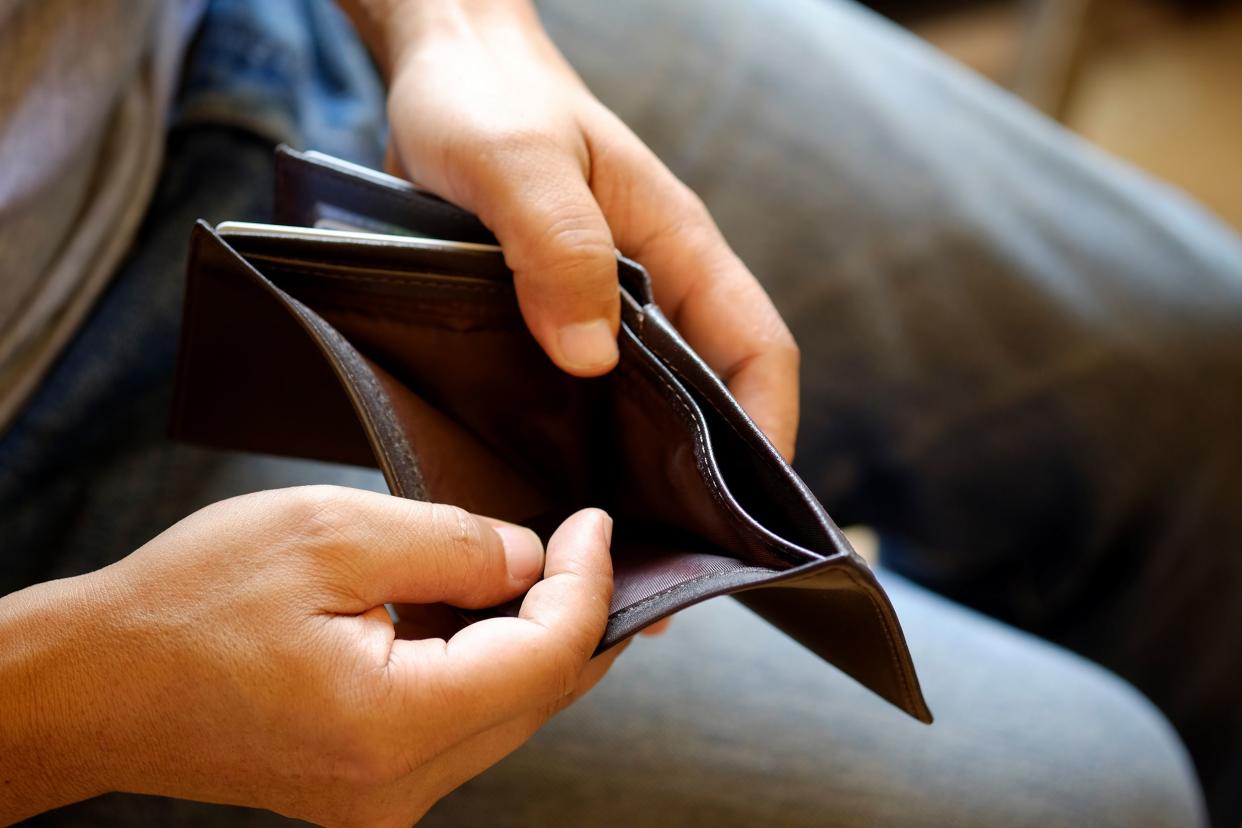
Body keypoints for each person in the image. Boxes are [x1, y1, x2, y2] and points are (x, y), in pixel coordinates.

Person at [1, 0, 1237, 824]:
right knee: (1095, 796)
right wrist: (66, 701)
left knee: (1204, 370)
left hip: (272, 38)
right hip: (66, 554)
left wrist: (465, 33)